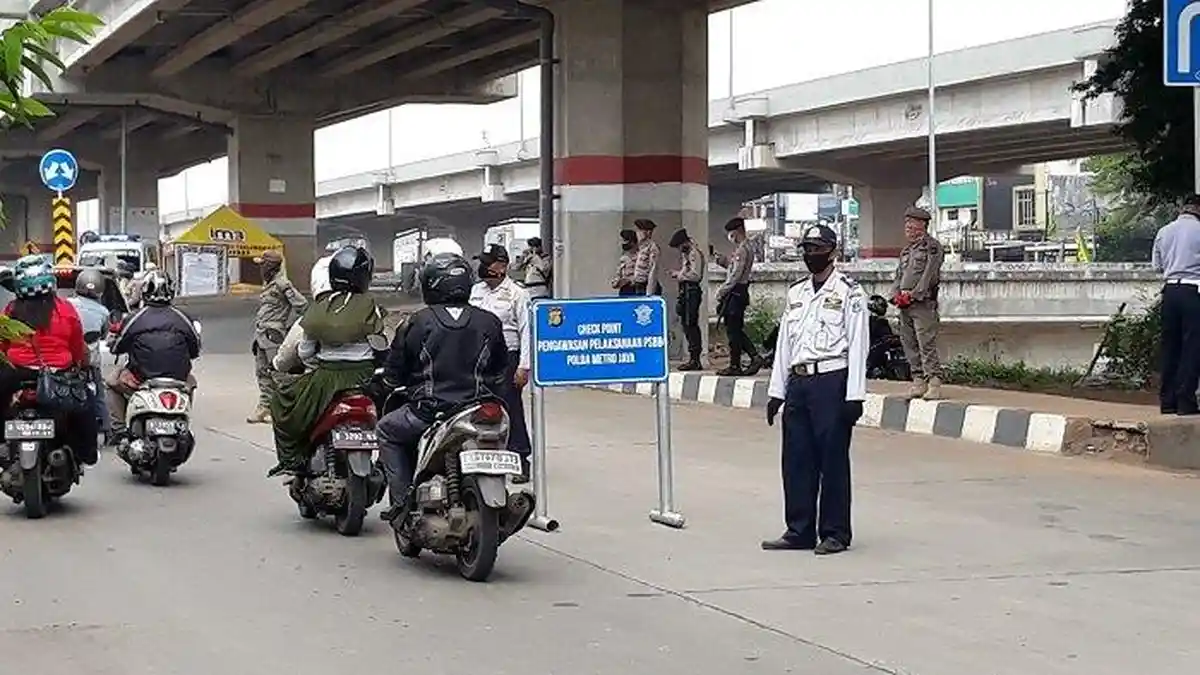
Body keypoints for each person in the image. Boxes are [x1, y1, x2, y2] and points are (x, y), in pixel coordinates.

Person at [762, 224, 867, 555]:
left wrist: (855, 396)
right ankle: (799, 530)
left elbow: (858, 345)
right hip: (799, 382)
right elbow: (784, 346)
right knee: (796, 460)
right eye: (806, 249)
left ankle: (835, 532)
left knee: (832, 460)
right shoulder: (796, 293)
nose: (811, 255)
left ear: (833, 251)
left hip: (831, 382)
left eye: (818, 248)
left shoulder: (850, 293)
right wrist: (776, 391)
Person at [376, 252, 508, 514]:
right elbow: (500, 370)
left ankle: (401, 503)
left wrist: (390, 382)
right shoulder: (490, 321)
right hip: (477, 411)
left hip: (428, 411)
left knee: (386, 431)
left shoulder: (416, 321)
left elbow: (396, 370)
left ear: (430, 283)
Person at [267, 246, 387, 477]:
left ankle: (292, 459)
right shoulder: (373, 307)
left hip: (326, 379)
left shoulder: (317, 309)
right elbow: (381, 344)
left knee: (282, 401)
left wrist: (318, 363)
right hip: (364, 378)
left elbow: (305, 352)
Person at [0, 255, 98, 465]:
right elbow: (77, 350)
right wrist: (79, 366)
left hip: (15, 375)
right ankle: (87, 454)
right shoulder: (66, 310)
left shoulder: (10, 311)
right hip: (58, 376)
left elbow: (2, 347)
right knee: (87, 403)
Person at [105, 271, 201, 443]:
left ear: (145, 292)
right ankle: (183, 420)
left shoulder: (136, 318)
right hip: (177, 379)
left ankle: (118, 430)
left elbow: (118, 347)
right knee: (191, 382)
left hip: (142, 378)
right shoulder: (182, 318)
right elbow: (195, 349)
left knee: (112, 382)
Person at [468, 244, 532, 481]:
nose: (483, 267)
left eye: (488, 262)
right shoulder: (475, 291)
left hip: (507, 357)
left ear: (502, 266)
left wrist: (523, 366)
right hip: (477, 357)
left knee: (511, 408)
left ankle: (520, 457)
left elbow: (526, 331)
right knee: (477, 407)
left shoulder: (517, 293)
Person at [889, 206, 945, 400]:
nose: (908, 227)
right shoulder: (906, 251)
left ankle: (934, 381)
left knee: (925, 343)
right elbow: (899, 276)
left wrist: (914, 294)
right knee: (909, 342)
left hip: (922, 303)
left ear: (922, 225)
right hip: (905, 304)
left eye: (911, 223)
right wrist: (894, 295)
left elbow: (929, 275)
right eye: (906, 223)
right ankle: (918, 380)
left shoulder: (932, 247)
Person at [248, 249, 308, 423]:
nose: (260, 269)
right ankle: (265, 408)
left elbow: (302, 305)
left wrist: (290, 328)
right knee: (262, 372)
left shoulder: (283, 284)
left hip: (273, 335)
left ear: (270, 267)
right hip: (261, 335)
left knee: (278, 373)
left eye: (263, 265)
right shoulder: (268, 285)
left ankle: (286, 408)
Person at [1153, 194, 1200, 415]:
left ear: (1183, 208)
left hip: (1170, 291)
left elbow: (1157, 266)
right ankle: (1186, 402)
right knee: (1192, 346)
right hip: (1194, 291)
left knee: (1170, 346)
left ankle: (1167, 401)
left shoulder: (1164, 231)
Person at [714, 217, 764, 376]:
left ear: (737, 231)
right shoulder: (744, 248)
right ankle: (745, 360)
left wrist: (721, 291)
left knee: (733, 331)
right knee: (734, 330)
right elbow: (732, 267)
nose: (730, 237)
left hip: (736, 292)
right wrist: (721, 260)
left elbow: (735, 275)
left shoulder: (742, 249)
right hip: (738, 292)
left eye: (731, 233)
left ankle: (746, 360)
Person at [69, 269, 114, 440]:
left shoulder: (67, 304)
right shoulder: (103, 312)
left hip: (70, 359)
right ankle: (107, 429)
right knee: (99, 395)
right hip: (90, 362)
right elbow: (104, 334)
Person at [274, 255, 334, 375]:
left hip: (319, 382)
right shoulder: (371, 313)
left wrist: (276, 363)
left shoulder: (307, 322)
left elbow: (284, 360)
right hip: (362, 381)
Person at [668, 228, 706, 370]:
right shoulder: (687, 254)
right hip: (685, 292)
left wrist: (679, 275)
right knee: (686, 324)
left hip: (692, 291)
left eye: (679, 246)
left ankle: (695, 358)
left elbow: (696, 275)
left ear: (684, 242)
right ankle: (692, 358)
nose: (679, 249)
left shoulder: (695, 254)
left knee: (691, 324)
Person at [630, 219, 661, 295]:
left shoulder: (652, 248)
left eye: (640, 230)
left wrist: (649, 293)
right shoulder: (640, 248)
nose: (637, 233)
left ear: (648, 232)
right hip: (638, 285)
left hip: (646, 286)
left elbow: (653, 271)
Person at [611, 229, 639, 296]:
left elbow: (645, 276)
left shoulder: (641, 257)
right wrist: (617, 282)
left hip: (638, 290)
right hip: (625, 291)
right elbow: (618, 275)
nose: (623, 243)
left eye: (626, 240)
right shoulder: (623, 258)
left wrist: (629, 280)